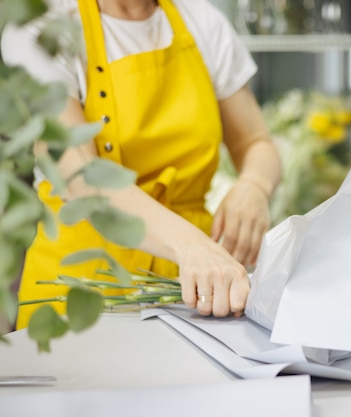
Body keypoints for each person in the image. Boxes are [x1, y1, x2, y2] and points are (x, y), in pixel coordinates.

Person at [1, 0, 282, 329]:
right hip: (79, 294)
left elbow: (256, 143)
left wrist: (254, 187)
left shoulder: (203, 21)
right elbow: (80, 175)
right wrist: (192, 246)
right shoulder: (44, 28)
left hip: (194, 292)